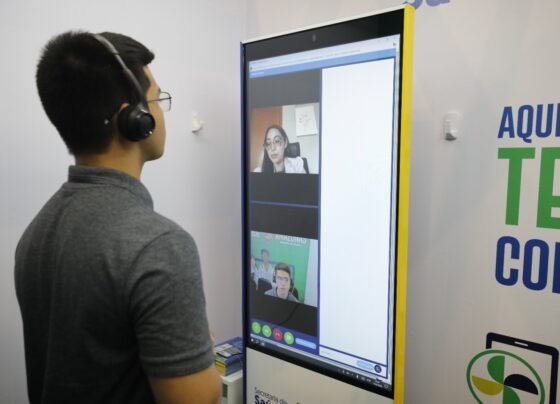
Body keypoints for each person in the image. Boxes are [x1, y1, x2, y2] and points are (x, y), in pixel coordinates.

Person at [14, 31, 221, 404]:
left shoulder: (35, 234)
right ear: (135, 119)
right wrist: (197, 345)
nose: (161, 111)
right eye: (158, 99)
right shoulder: (159, 246)